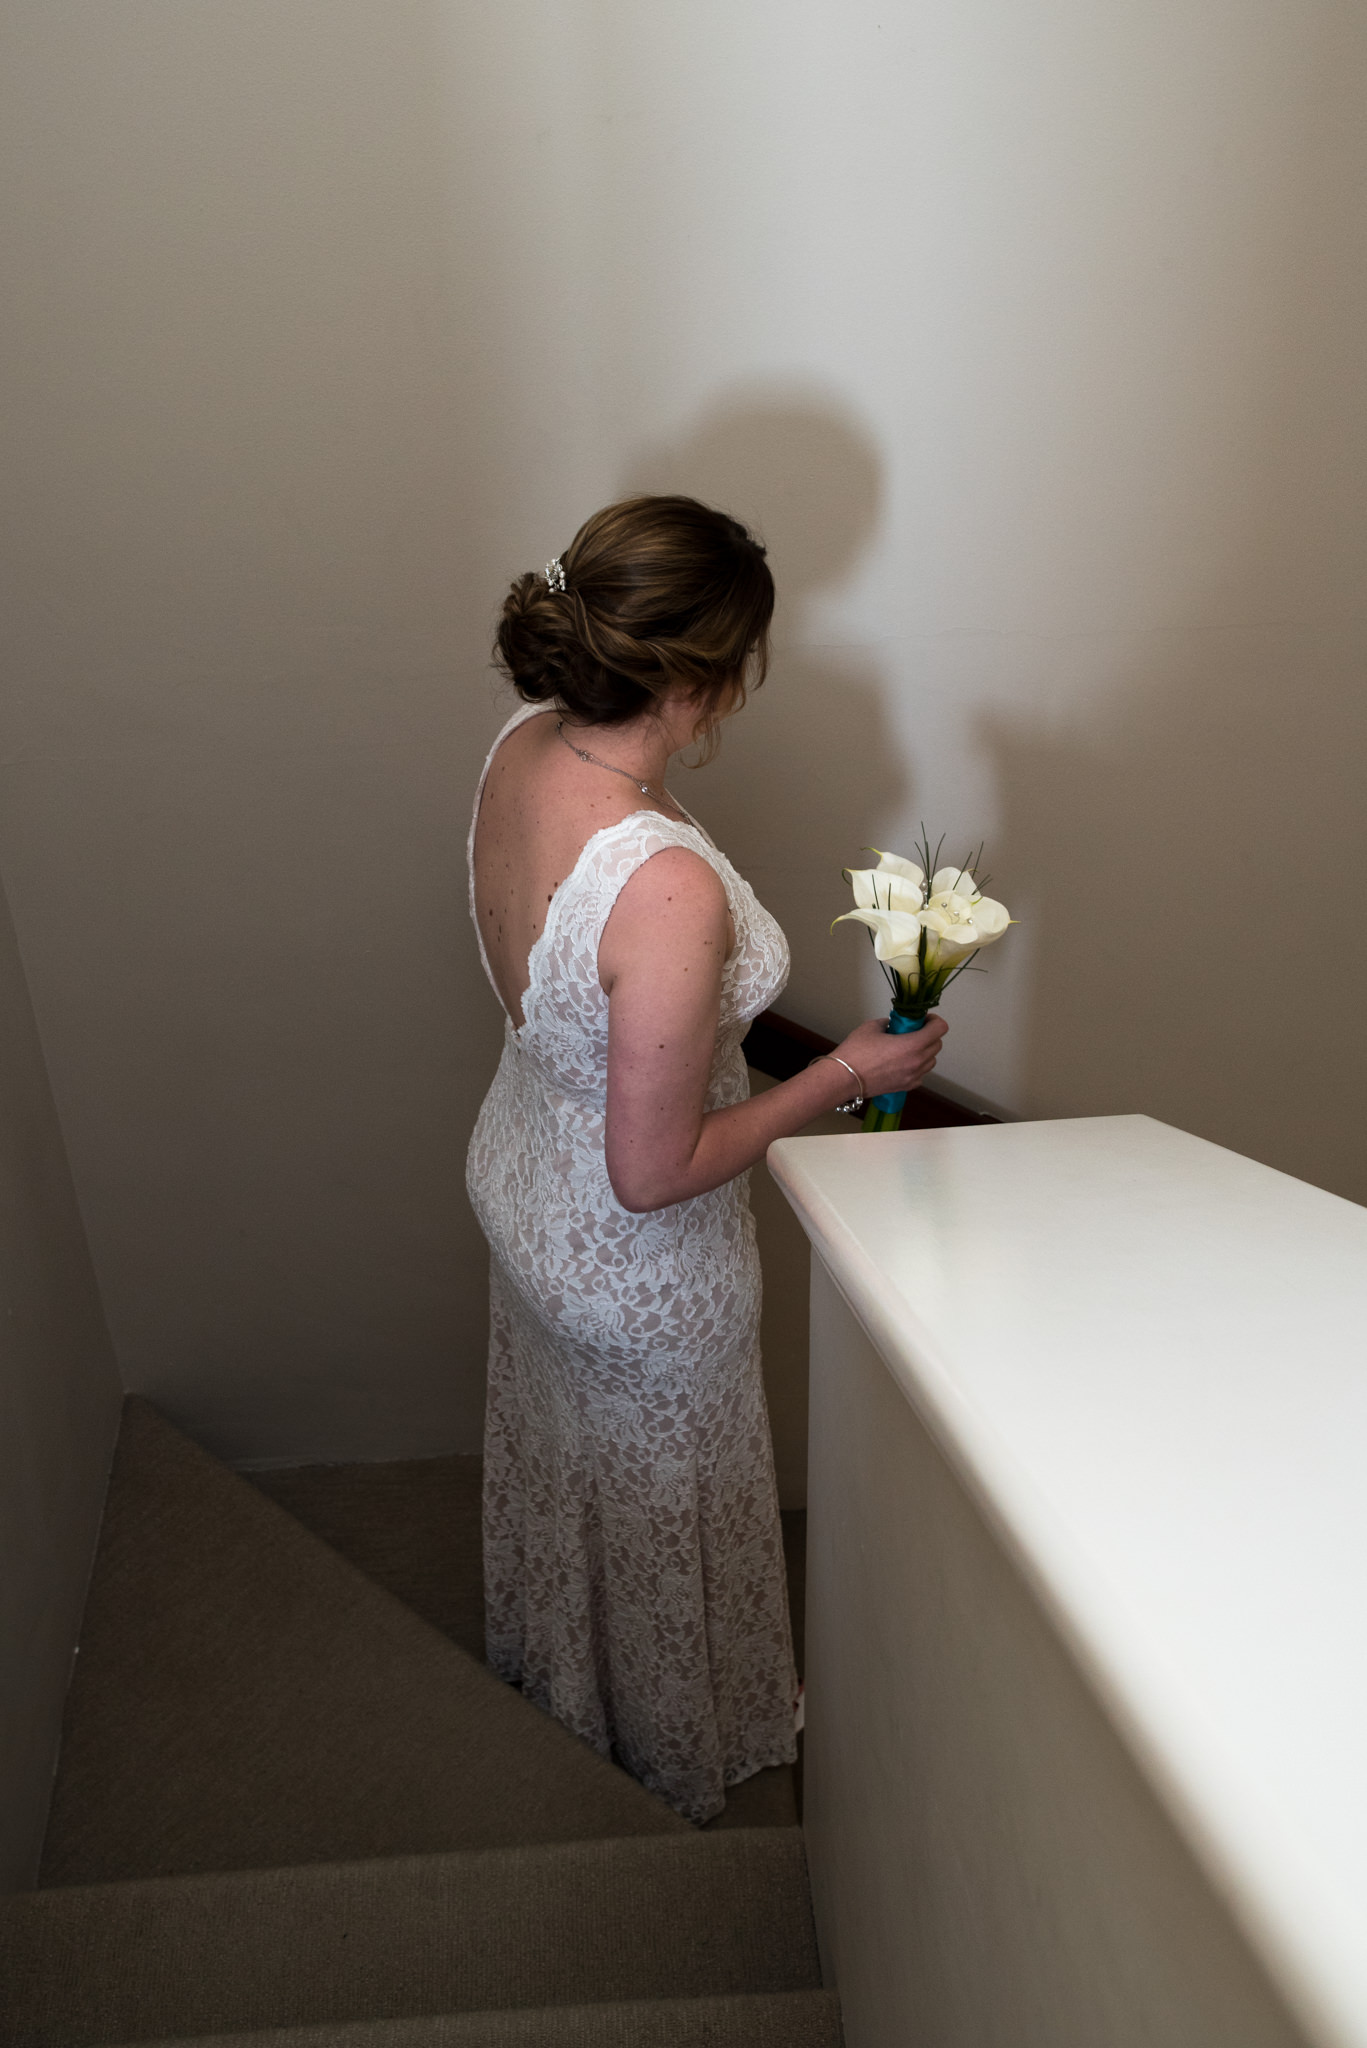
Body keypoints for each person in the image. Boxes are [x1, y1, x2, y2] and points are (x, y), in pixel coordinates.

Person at [465, 494, 946, 1822]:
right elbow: (654, 1169)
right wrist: (852, 1072)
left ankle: (570, 1679)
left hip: (520, 1179)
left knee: (584, 1484)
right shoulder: (663, 883)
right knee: (666, 1512)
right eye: (740, 665)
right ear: (692, 678)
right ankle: (676, 1750)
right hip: (632, 1267)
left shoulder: (520, 749)